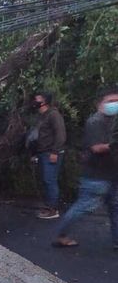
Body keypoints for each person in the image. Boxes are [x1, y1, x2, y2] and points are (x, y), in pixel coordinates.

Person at [52, 88, 118, 248]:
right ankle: (60, 234)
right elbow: (96, 148)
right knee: (83, 207)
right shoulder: (95, 122)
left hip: (112, 174)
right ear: (100, 103)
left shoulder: (114, 122)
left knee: (116, 208)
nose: (114, 104)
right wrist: (114, 145)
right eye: (110, 101)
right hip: (95, 175)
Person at [27, 92, 66, 219]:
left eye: (37, 99)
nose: (35, 101)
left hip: (51, 153)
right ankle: (49, 205)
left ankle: (53, 210)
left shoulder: (54, 115)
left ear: (44, 102)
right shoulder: (42, 116)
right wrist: (34, 153)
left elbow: (60, 134)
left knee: (50, 180)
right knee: (46, 180)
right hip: (43, 152)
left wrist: (55, 152)